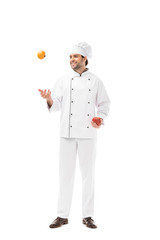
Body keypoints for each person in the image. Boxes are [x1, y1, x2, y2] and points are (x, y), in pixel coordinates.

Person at [38, 42, 111, 229]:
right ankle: (62, 215)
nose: (72, 60)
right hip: (66, 132)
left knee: (88, 175)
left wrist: (99, 118)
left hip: (88, 133)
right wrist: (49, 99)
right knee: (65, 175)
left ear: (85, 59)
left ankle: (88, 215)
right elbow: (56, 106)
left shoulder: (95, 81)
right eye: (70, 57)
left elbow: (104, 105)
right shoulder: (63, 80)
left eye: (75, 57)